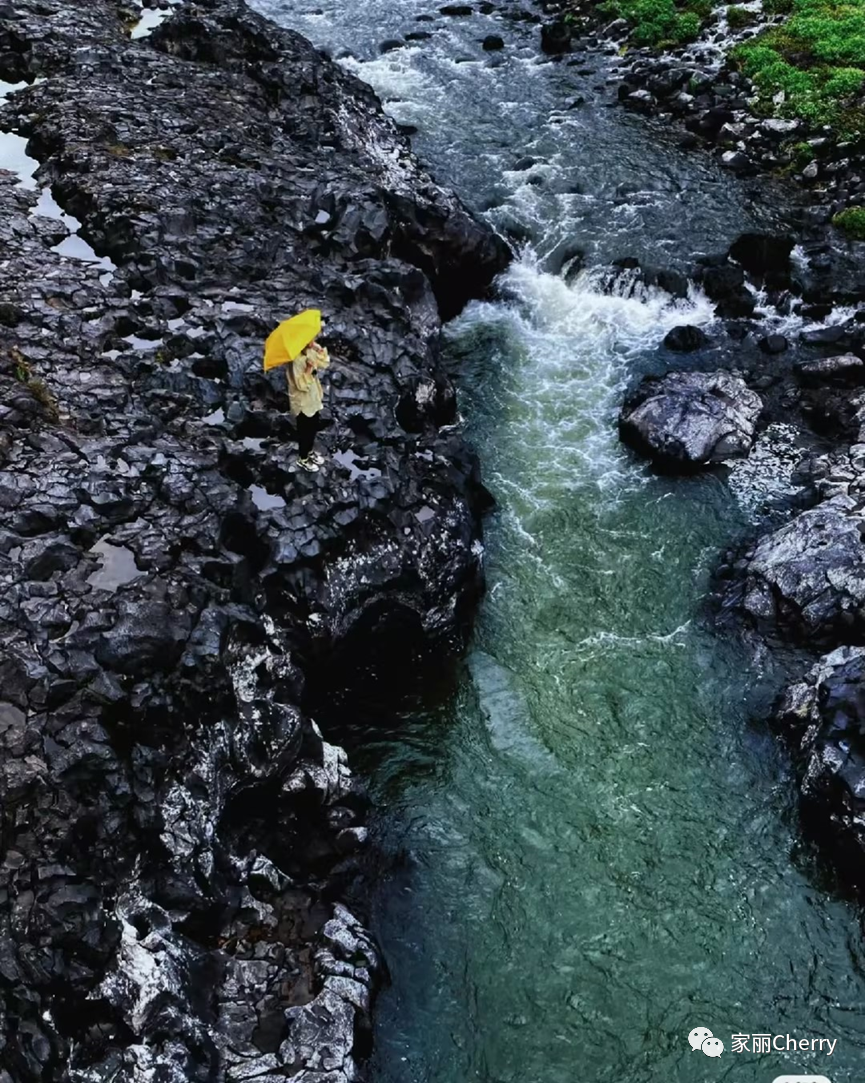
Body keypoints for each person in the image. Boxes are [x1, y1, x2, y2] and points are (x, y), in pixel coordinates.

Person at [286, 339, 330, 471]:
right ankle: (303, 458)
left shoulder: (310, 352)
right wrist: (309, 369)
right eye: (310, 340)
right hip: (302, 402)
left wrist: (319, 350)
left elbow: (324, 363)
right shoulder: (295, 361)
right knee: (305, 431)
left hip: (313, 398)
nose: (313, 341)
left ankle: (309, 452)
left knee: (313, 426)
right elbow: (301, 385)